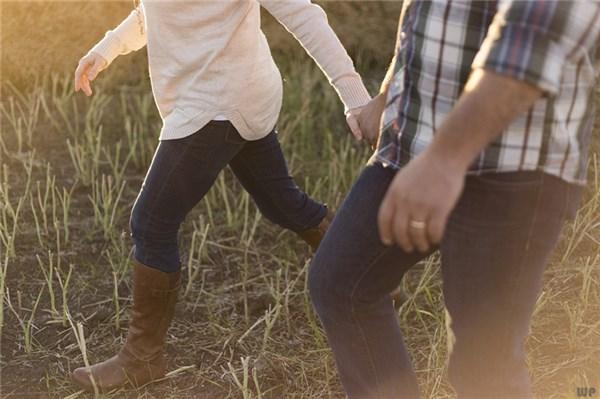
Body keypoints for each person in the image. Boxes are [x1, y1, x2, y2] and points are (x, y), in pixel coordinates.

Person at [70, 0, 373, 392]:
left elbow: (302, 13)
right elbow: (154, 13)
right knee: (282, 203)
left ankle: (142, 358)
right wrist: (106, 49)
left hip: (217, 102)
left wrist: (357, 99)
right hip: (235, 92)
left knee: (151, 222)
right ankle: (367, 276)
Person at [309, 1, 600, 398]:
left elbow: (531, 45)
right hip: (415, 146)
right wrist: (389, 90)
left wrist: (445, 159)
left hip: (512, 167)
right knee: (342, 283)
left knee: (483, 365)